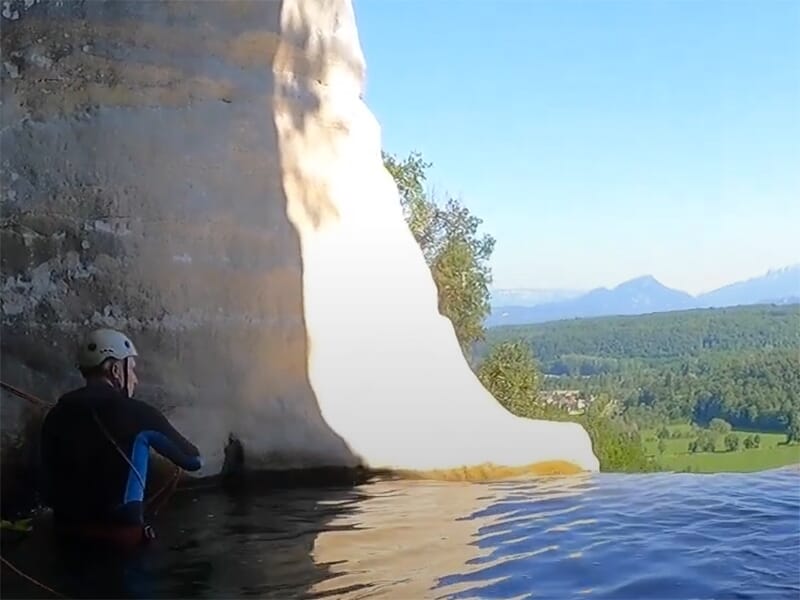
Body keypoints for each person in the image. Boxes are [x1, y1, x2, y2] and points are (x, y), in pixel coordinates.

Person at [39, 328, 203, 546]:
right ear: (116, 370)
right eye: (132, 369)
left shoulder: (55, 414)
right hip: (120, 540)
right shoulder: (139, 413)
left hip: (65, 537)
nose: (135, 379)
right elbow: (193, 460)